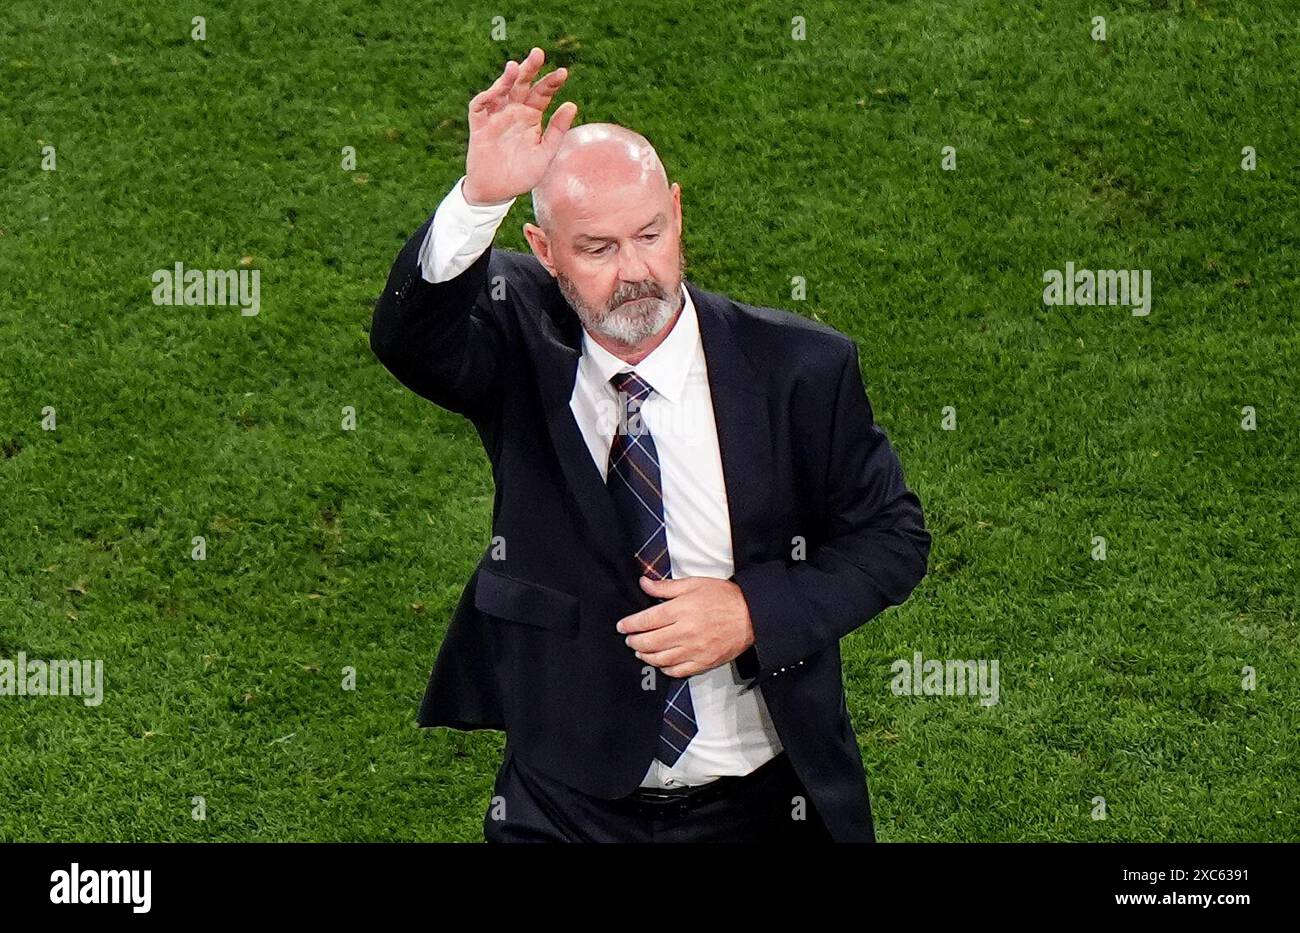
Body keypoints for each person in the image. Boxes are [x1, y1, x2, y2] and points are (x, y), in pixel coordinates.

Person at [370, 47, 931, 842]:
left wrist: (750, 611)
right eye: (597, 249)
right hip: (565, 805)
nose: (635, 271)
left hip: (767, 800)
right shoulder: (516, 336)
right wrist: (476, 198)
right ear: (543, 248)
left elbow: (893, 538)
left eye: (650, 234)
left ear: (677, 210)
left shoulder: (802, 367)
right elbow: (410, 338)